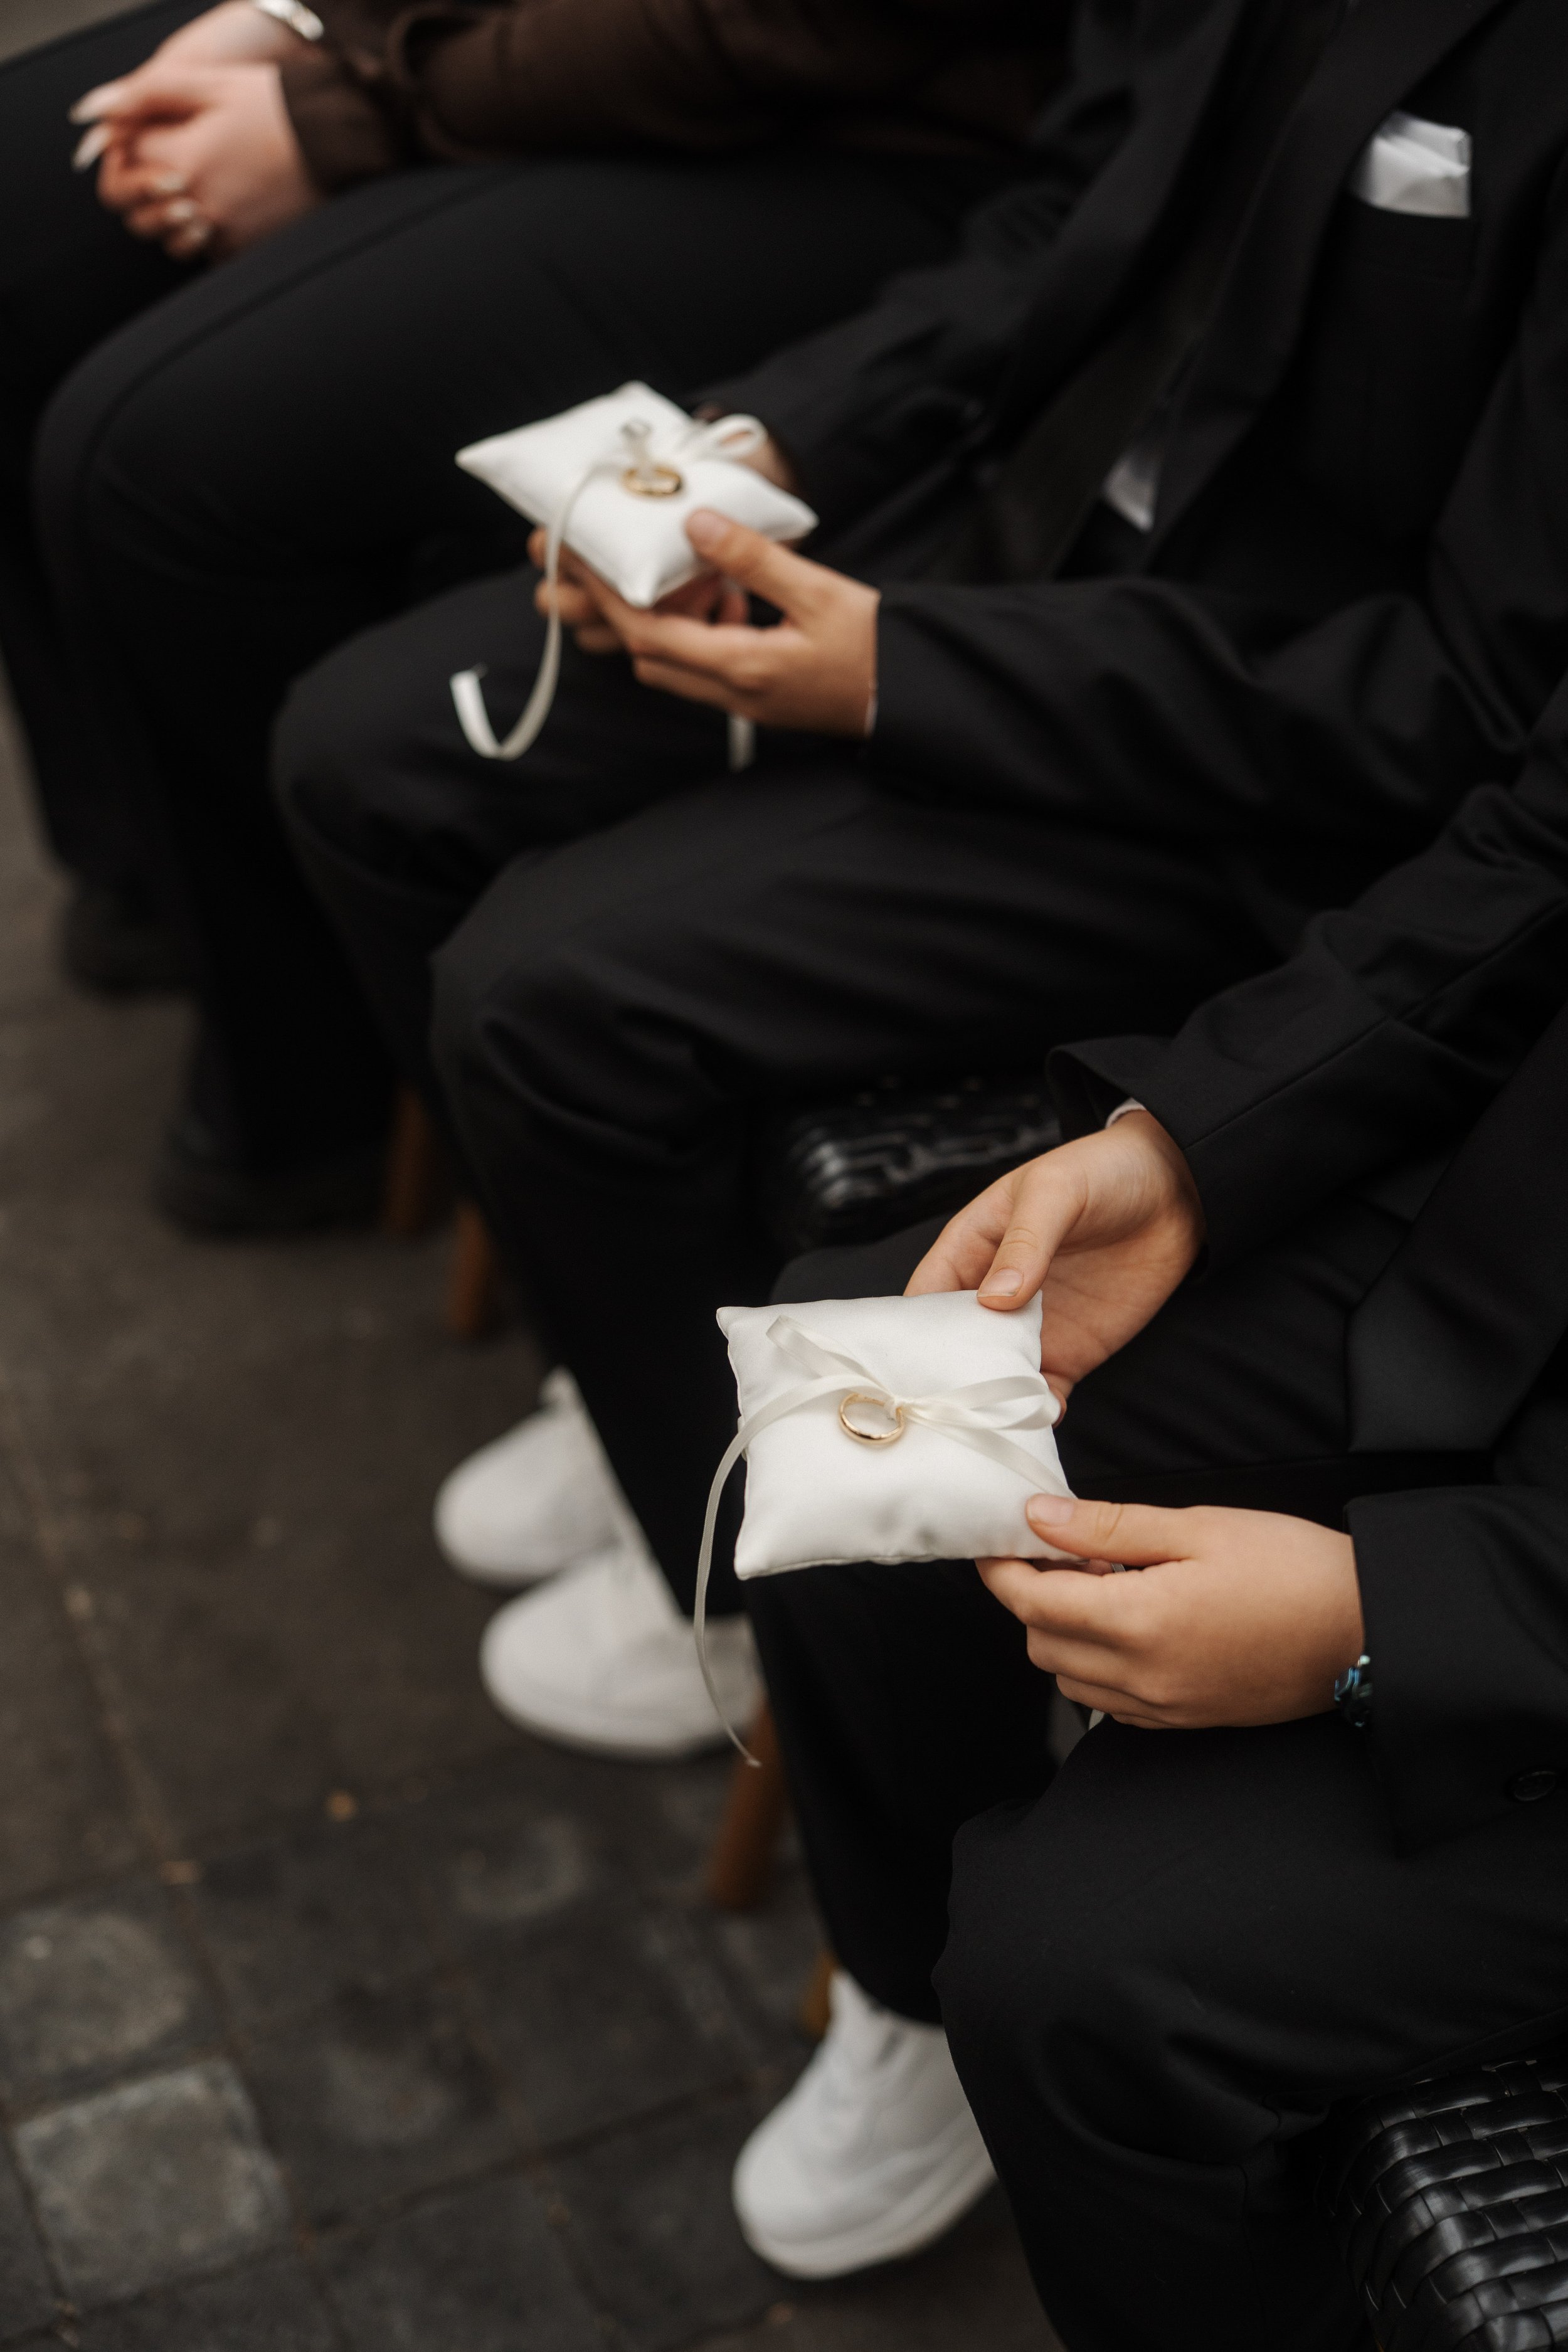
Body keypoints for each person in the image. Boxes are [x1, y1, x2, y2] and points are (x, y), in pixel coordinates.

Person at [280, 0, 1568, 1754]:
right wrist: (766, 452)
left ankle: (720, 1566)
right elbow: (1074, 211)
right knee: (369, 751)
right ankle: (652, 1407)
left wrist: (907, 672)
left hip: (1241, 766)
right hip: (1013, 529)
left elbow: (1463, 703)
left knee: (543, 997)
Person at [724, 659, 1568, 2337]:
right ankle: (899, 2007)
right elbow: (1536, 847)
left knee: (1081, 1967)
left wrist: (1381, 1619)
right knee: (855, 1398)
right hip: (1510, 1258)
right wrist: (1186, 1148)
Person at [0, 0, 1058, 1229]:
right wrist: (307, 18)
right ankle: (153, 872)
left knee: (154, 458)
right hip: (560, 44)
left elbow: (785, 33)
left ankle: (317, 1073)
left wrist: (352, 101)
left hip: (878, 117)